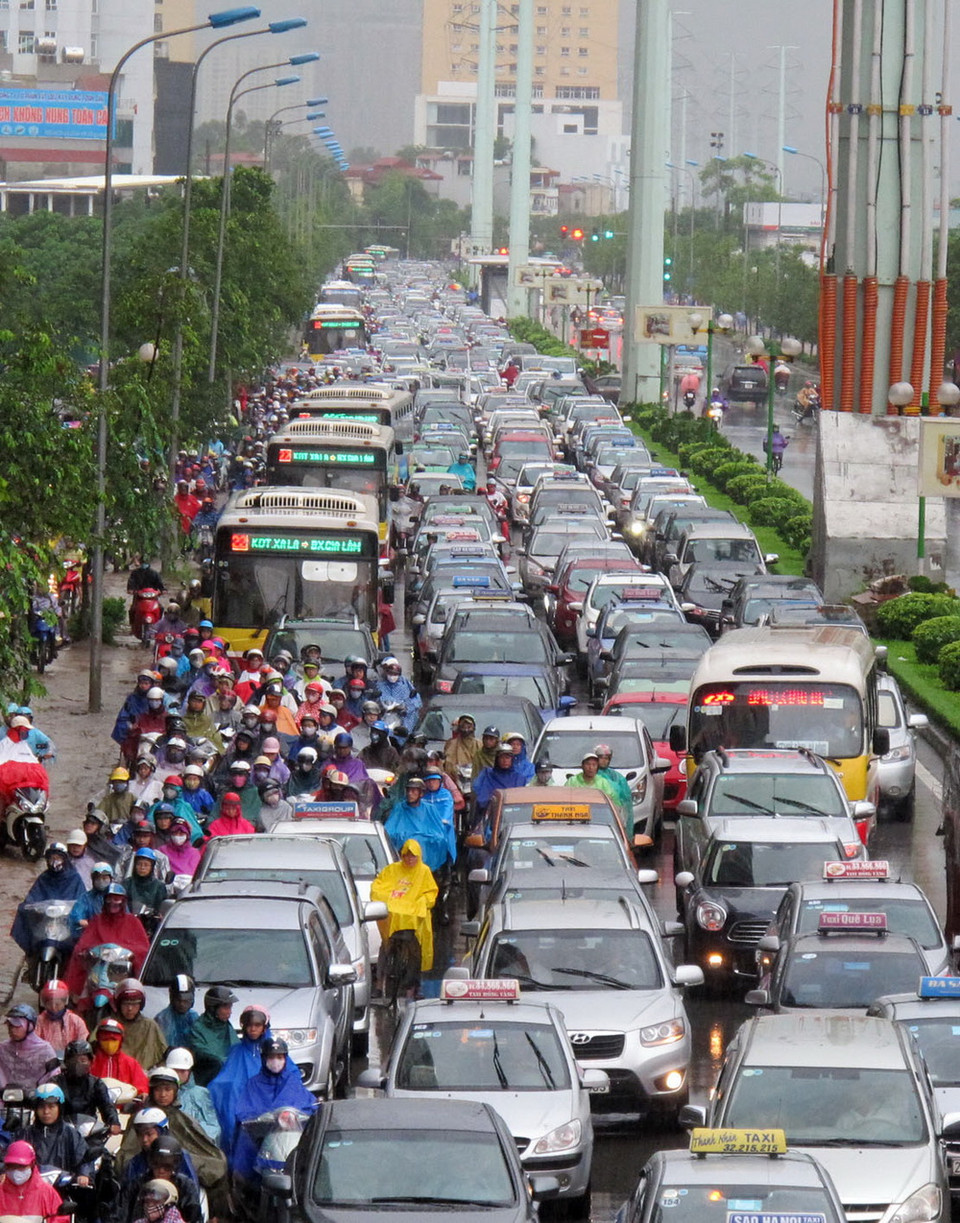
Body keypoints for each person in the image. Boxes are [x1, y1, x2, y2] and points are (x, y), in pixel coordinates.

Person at [117, 1067, 229, 1218]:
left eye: (167, 1089)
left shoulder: (184, 1119)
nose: (163, 1094)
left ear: (175, 1091)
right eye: (158, 1089)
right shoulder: (141, 1118)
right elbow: (127, 1151)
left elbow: (202, 1146)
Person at [230, 1039, 315, 1181]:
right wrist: (264, 1119)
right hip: (261, 1137)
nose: (276, 1061)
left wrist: (298, 1114)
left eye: (280, 1057)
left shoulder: (292, 1081)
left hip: (290, 1136)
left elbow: (308, 1104)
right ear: (264, 1059)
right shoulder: (254, 1083)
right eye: (271, 1057)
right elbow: (244, 1111)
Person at [370, 839, 438, 994]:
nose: (409, 859)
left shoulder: (424, 872)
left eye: (413, 856)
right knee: (386, 947)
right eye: (406, 855)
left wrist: (422, 903)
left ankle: (414, 985)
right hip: (392, 919)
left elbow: (431, 893)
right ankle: (380, 984)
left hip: (413, 922)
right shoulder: (392, 870)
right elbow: (378, 886)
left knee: (415, 949)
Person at [64, 883, 151, 1003]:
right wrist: (87, 952)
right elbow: (83, 945)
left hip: (123, 973)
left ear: (123, 901)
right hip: (97, 973)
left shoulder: (133, 922)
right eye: (109, 899)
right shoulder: (97, 920)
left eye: (116, 899)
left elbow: (143, 949)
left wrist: (124, 951)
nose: (112, 903)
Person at [207, 1003, 274, 1144]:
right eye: (249, 1025)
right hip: (239, 1105)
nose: (253, 1029)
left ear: (264, 1027)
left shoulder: (273, 1050)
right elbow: (223, 1080)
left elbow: (288, 1076)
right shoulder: (236, 1050)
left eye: (257, 1025)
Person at [11, 841, 86, 957]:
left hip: (66, 924)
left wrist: (75, 911)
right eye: (52, 858)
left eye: (58, 858)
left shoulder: (74, 878)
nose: (55, 861)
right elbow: (32, 897)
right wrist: (31, 907)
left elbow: (82, 900)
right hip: (45, 923)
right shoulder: (44, 878)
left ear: (65, 859)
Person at [22, 1082, 95, 1184]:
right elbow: (11, 1158)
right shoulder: (25, 1134)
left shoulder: (70, 1134)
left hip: (62, 1188)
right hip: (30, 1187)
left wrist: (83, 1174)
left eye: (51, 1107)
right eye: (41, 1107)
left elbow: (84, 1157)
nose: (46, 1112)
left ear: (59, 1108)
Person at [120, 1134, 201, 1223]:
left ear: (175, 1165)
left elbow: (194, 1216)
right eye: (156, 1164)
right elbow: (121, 1213)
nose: (161, 1171)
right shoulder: (137, 1184)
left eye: (167, 1166)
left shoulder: (186, 1186)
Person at [384, 778, 455, 876]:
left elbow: (439, 833)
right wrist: (407, 837)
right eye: (408, 791)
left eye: (414, 791)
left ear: (421, 793)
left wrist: (424, 837)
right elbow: (389, 831)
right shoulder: (399, 808)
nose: (410, 794)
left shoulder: (430, 809)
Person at [51, 1039, 120, 1134]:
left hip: (89, 1131)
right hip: (60, 1132)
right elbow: (46, 1104)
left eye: (83, 1060)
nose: (77, 1064)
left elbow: (107, 1105)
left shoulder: (96, 1084)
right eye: (73, 1060)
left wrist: (114, 1122)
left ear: (91, 1062)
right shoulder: (55, 1083)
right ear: (66, 1061)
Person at [164, 1049, 220, 1145]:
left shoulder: (200, 1093)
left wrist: (196, 1137)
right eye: (175, 1070)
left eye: (182, 1071)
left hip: (195, 1146)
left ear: (190, 1071)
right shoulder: (160, 1093)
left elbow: (213, 1126)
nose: (178, 1075)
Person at [188, 986, 239, 1087]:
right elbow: (200, 1050)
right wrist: (221, 1061)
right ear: (213, 1008)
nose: (230, 1012)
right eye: (226, 1008)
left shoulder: (225, 1025)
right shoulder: (198, 1027)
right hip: (208, 1078)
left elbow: (236, 1047)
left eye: (230, 1007)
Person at [0, 1139, 64, 1218]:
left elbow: (60, 1219)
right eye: (11, 1166)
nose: (16, 1170)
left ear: (32, 1164)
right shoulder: (1, 1192)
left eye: (21, 1166)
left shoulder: (46, 1192)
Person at [113, 980, 167, 1072]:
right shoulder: (110, 1025)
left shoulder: (150, 1026)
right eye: (125, 1003)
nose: (130, 1008)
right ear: (119, 1004)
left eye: (134, 1003)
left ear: (141, 1004)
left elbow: (163, 1056)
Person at [0, 1004, 56, 1091]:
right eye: (10, 1026)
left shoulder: (45, 1050)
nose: (12, 1030)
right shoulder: (3, 1049)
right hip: (7, 1096)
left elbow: (54, 1076)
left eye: (17, 1026)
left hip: (36, 1096)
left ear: (30, 1026)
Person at [90, 1018, 149, 1093]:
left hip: (124, 1100)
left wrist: (141, 1094)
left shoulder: (131, 1063)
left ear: (121, 1041)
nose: (109, 1043)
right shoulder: (90, 1062)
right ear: (99, 1039)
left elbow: (142, 1087)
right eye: (105, 1039)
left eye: (114, 1040)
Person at [35, 980, 88, 1057]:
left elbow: (82, 1044)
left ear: (64, 1002)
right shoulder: (39, 1021)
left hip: (70, 1060)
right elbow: (34, 1043)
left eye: (57, 1004)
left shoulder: (76, 1021)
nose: (53, 1007)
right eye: (49, 1004)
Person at [593, 742, 636, 837]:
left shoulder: (616, 776)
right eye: (601, 758)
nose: (604, 761)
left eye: (606, 758)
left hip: (615, 812)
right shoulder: (590, 775)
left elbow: (625, 799)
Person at [474, 742, 529, 814]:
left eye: (507, 757)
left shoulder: (519, 778)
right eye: (502, 757)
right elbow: (481, 798)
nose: (505, 760)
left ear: (512, 759)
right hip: (491, 813)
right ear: (497, 759)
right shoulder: (488, 775)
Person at [377, 657, 422, 734]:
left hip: (406, 717)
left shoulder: (404, 683)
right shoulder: (380, 684)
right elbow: (382, 698)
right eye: (387, 669)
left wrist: (407, 707)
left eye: (395, 673)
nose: (392, 675)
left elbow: (416, 700)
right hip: (388, 715)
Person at [155, 977, 198, 1050]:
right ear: (172, 998)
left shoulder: (194, 1017)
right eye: (178, 1000)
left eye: (186, 1000)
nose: (182, 1004)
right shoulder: (162, 1019)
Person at [124, 849, 169, 918]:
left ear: (152, 867)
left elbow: (161, 909)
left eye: (146, 865)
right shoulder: (127, 883)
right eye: (139, 864)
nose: (142, 868)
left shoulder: (159, 886)